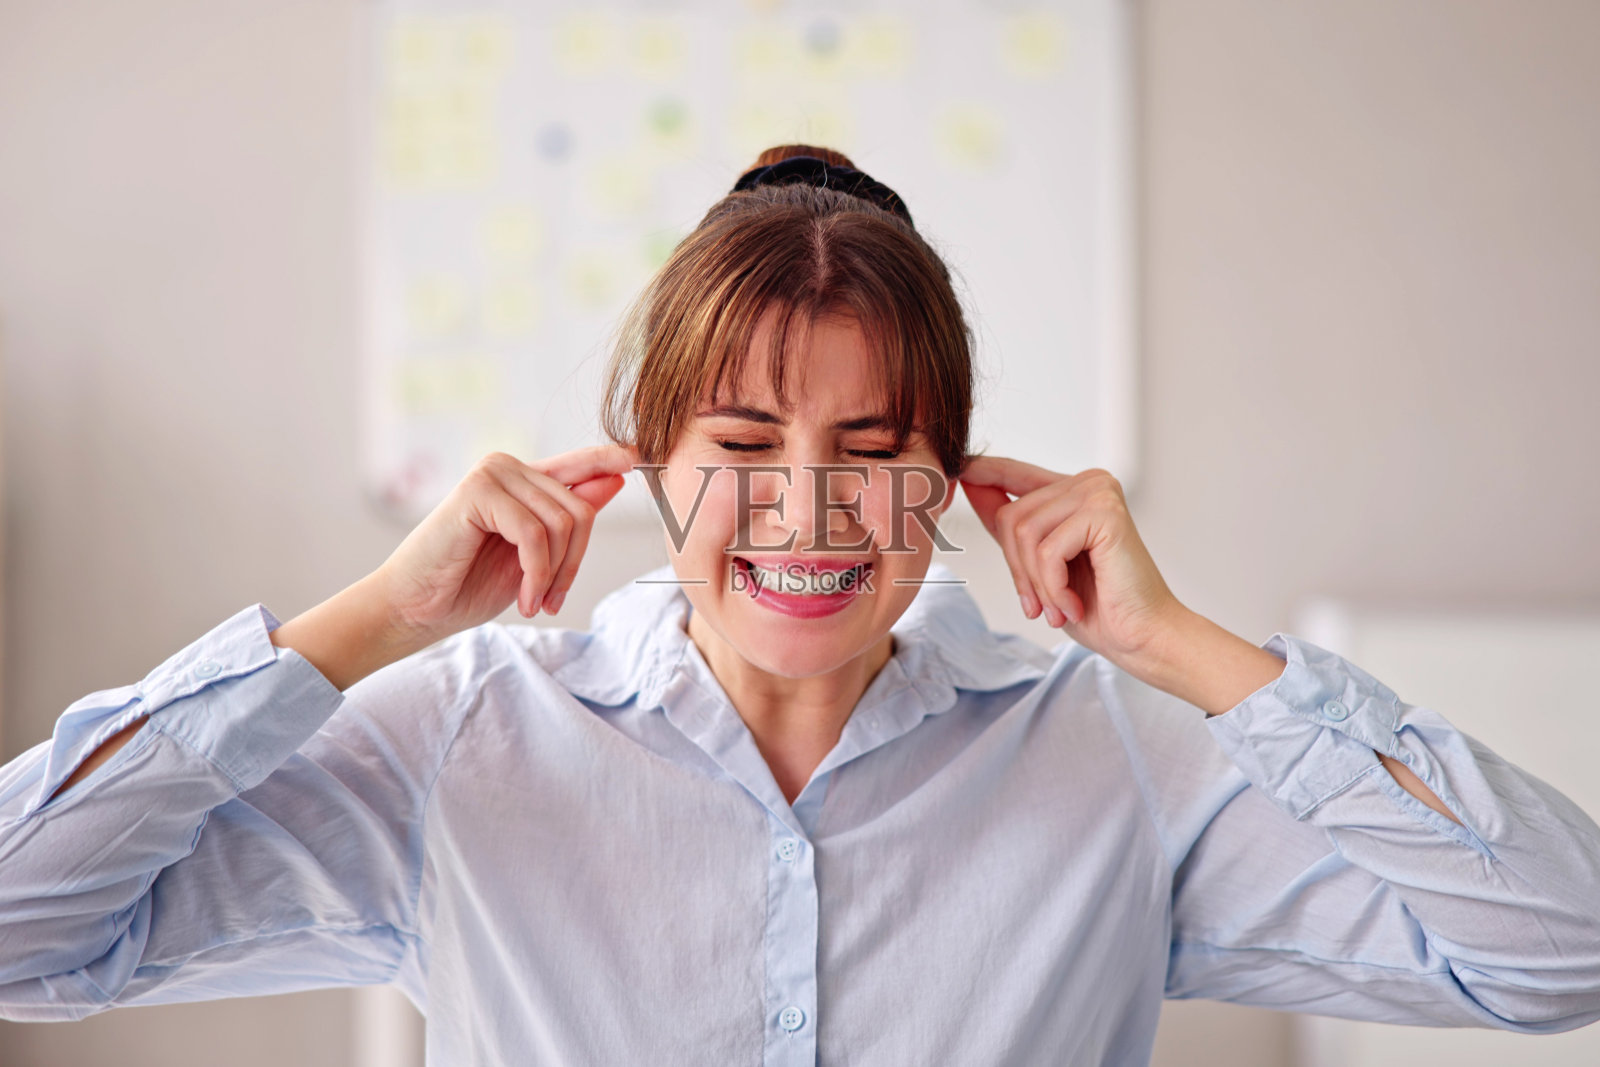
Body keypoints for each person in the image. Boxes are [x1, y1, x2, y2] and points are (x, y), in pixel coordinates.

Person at [2, 144, 1598, 1066]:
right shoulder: (466, 741)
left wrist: (1177, 648)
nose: (814, 508)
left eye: (876, 447)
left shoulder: (1114, 760)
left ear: (955, 479)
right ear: (648, 465)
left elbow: (1562, 950)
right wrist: (367, 626)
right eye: (745, 446)